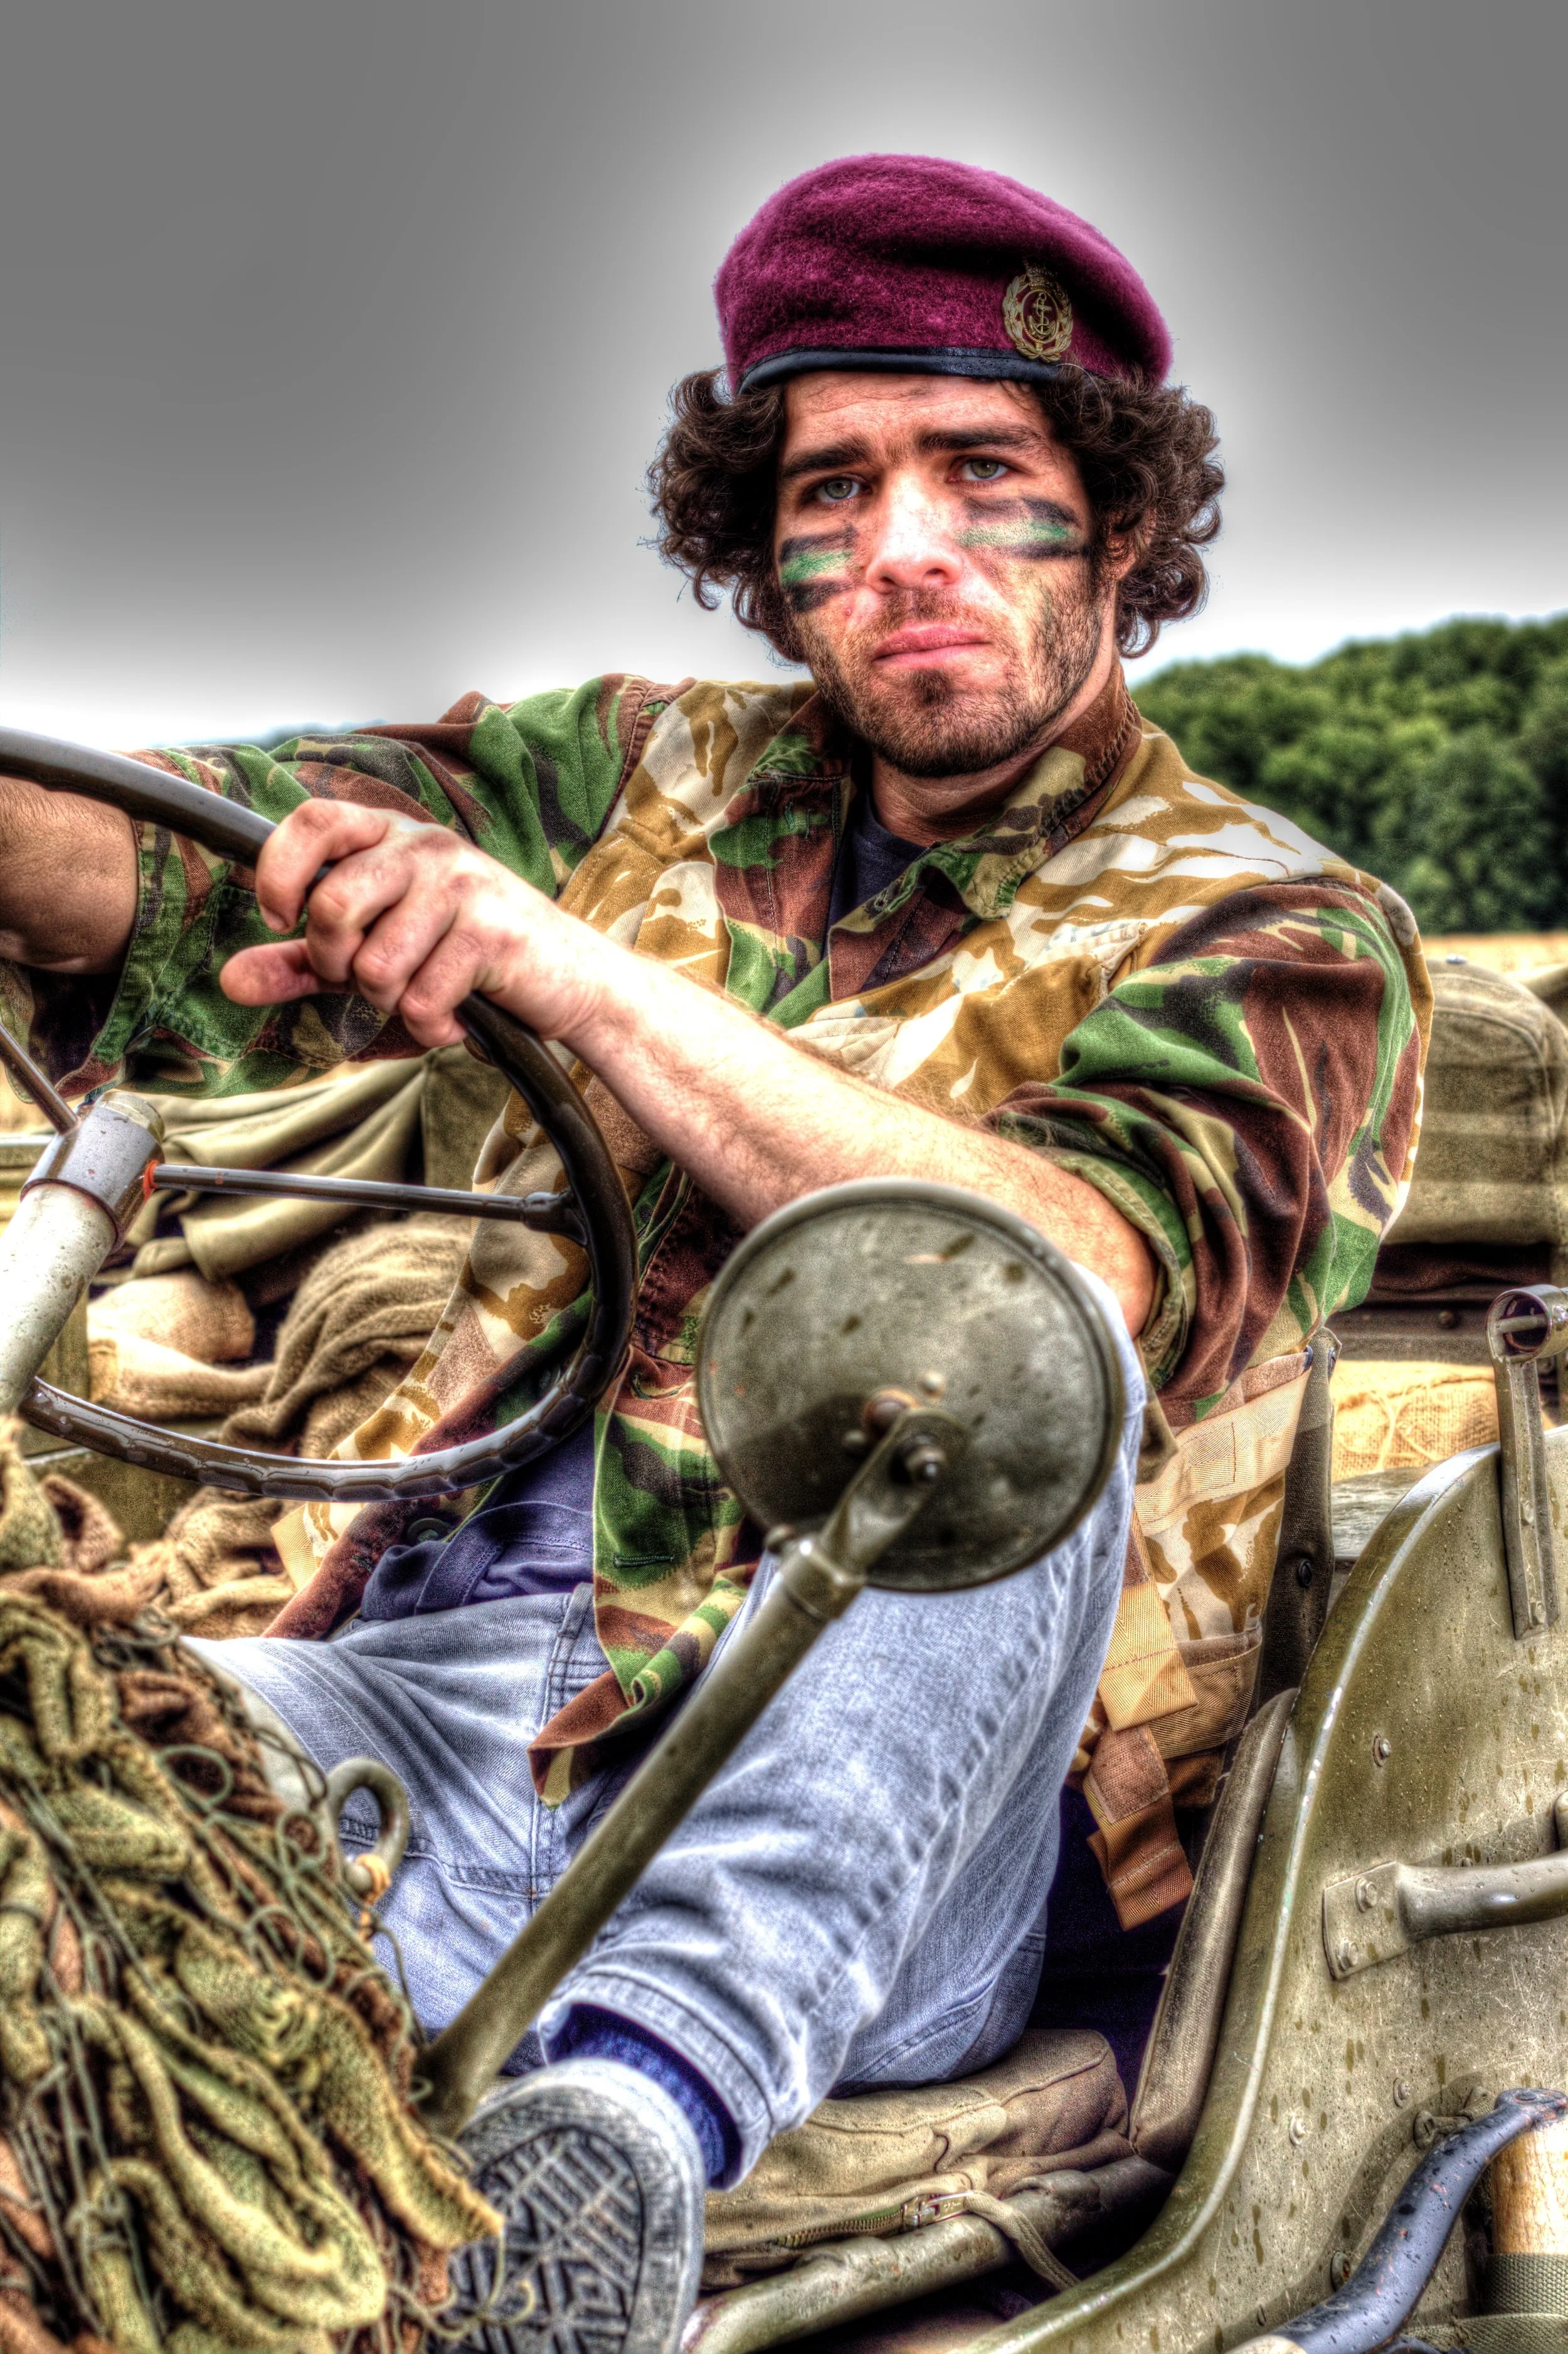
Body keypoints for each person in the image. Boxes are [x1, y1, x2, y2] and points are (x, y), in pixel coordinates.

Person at [0, 155, 1428, 2353]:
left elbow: (1072, 1266)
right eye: (832, 488)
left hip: (897, 1828)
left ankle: (623, 2135)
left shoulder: (1277, 930)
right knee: (72, 1764)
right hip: (445, 1708)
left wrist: (570, 980)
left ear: (1119, 526)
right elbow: (173, 860)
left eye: (983, 474)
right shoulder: (634, 779)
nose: (903, 550)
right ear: (761, 548)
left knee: (1001, 1355)